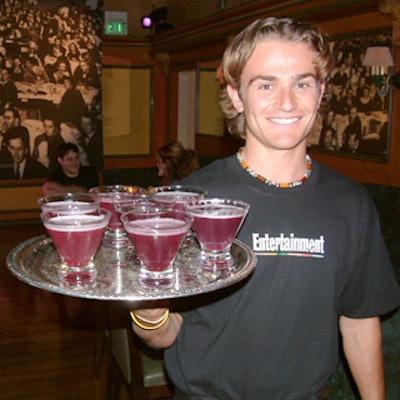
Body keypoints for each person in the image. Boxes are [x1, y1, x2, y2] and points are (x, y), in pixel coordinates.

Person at [130, 17, 400, 400]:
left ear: (321, 92)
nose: (286, 102)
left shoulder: (351, 204)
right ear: (238, 96)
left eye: (302, 83)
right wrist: (148, 310)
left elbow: (359, 322)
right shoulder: (188, 202)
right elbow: (165, 334)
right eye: (266, 84)